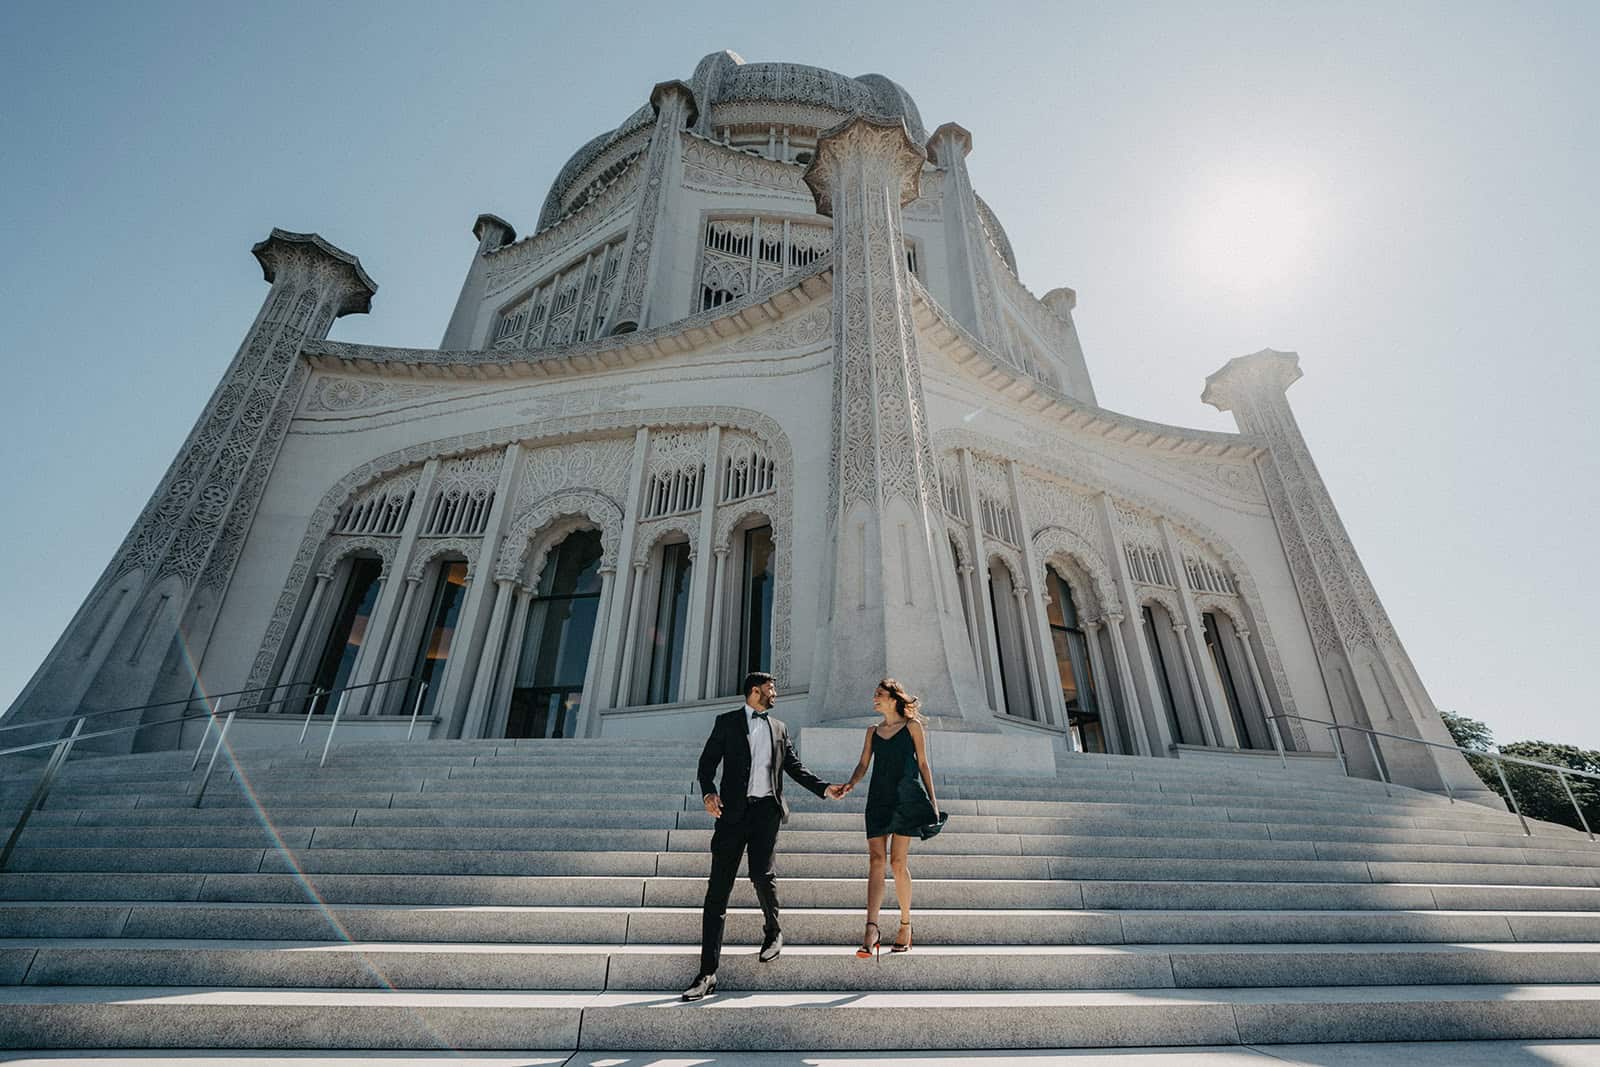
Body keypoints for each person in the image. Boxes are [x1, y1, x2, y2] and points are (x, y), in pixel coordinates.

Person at [681, 671, 847, 1001]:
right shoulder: (726, 722)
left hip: (766, 813)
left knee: (762, 874)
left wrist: (824, 789)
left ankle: (773, 932)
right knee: (718, 891)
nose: (775, 694)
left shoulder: (780, 728)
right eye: (771, 689)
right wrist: (708, 793)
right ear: (755, 691)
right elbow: (706, 764)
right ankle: (707, 972)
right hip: (731, 815)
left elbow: (795, 767)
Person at [836, 677, 944, 957]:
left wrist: (933, 801)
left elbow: (923, 763)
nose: (874, 698)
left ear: (894, 699)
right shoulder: (872, 731)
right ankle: (871, 928)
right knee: (875, 860)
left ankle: (905, 925)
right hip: (878, 799)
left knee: (897, 862)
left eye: (879, 694)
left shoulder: (912, 726)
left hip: (905, 797)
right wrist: (851, 783)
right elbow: (863, 763)